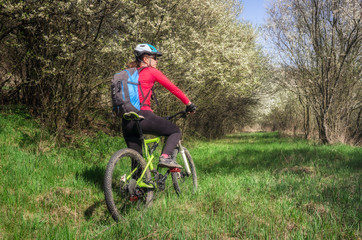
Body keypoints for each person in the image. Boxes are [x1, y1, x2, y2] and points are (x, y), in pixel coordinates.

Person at [122, 43, 196, 169]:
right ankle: (165, 157)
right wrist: (188, 103)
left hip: (126, 121)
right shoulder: (151, 71)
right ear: (145, 59)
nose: (156, 61)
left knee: (137, 159)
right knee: (175, 131)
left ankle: (136, 187)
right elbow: (173, 89)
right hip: (143, 116)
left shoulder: (128, 74)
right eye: (155, 58)